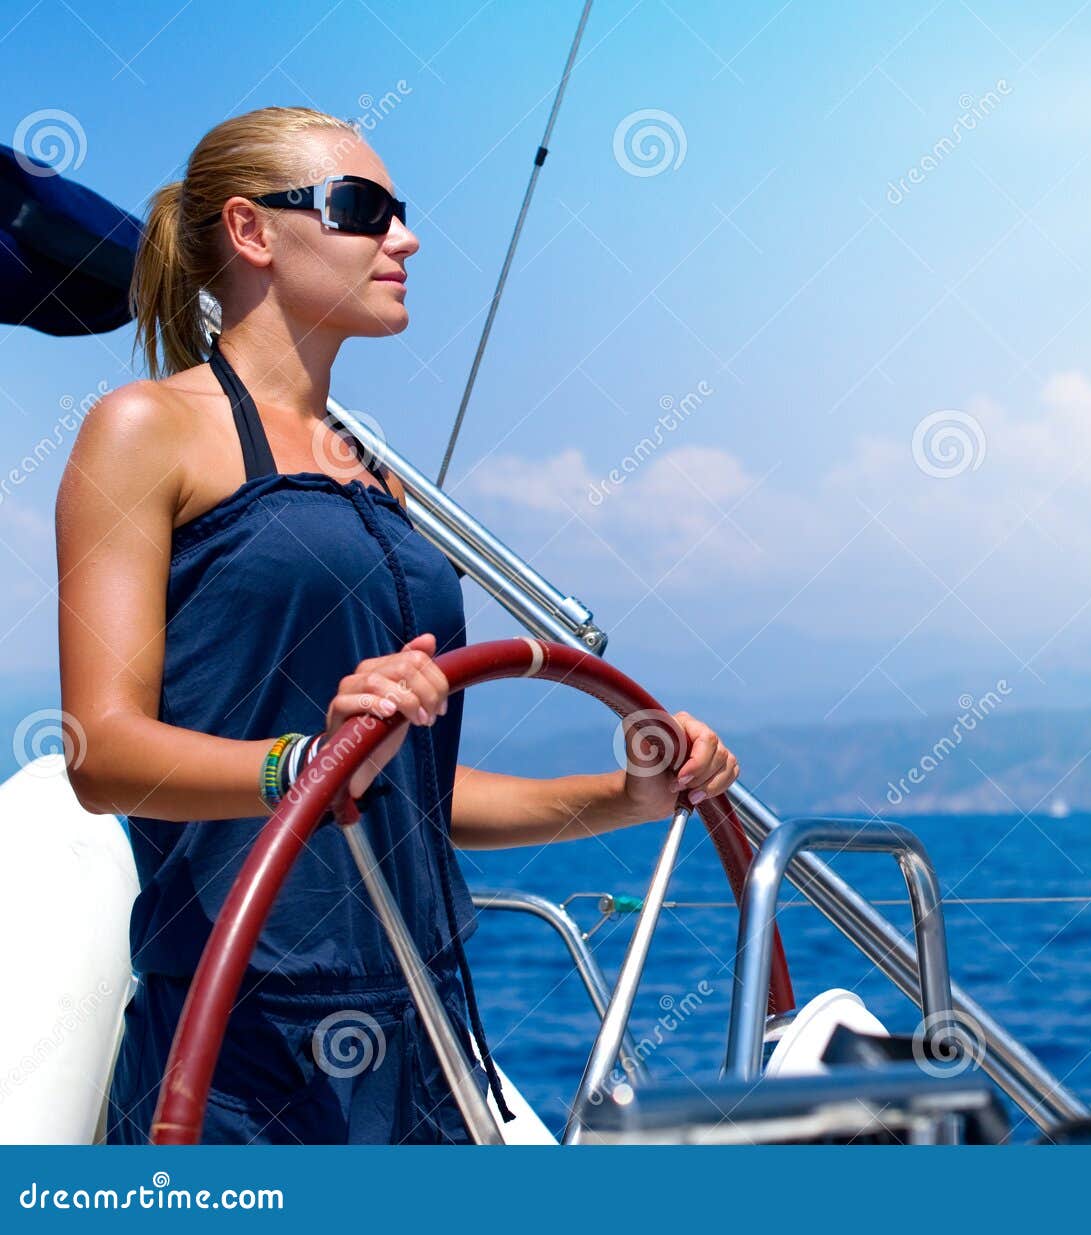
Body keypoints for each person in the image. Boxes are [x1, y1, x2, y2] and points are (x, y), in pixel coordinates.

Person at [55, 105, 740, 1144]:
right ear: (251, 233)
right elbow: (100, 750)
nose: (405, 239)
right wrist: (300, 763)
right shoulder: (145, 430)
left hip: (425, 1023)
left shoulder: (378, 481)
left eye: (402, 214)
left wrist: (627, 793)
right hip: (243, 1035)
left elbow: (408, 791)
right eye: (362, 210)